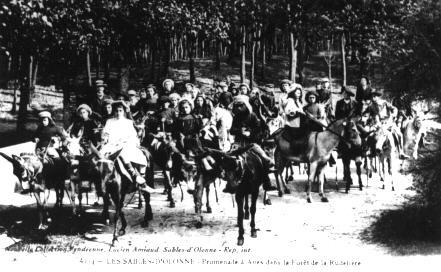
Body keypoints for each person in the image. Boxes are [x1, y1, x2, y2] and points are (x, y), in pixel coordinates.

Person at [226, 95, 276, 193]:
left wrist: (250, 133)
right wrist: (239, 131)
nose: (239, 108)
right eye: (237, 106)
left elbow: (258, 129)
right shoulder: (236, 117)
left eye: (241, 105)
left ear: (246, 105)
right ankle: (230, 182)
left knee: (262, 158)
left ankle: (267, 181)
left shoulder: (252, 115)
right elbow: (232, 130)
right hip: (239, 142)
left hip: (251, 142)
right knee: (229, 158)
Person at [100, 101, 154, 192]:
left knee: (139, 155)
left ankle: (140, 178)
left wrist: (126, 141)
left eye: (120, 110)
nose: (118, 113)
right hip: (112, 144)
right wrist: (104, 138)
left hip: (126, 143)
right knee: (100, 156)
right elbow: (106, 133)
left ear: (124, 111)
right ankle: (101, 180)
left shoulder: (128, 122)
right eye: (116, 111)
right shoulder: (109, 121)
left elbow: (133, 135)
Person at [371, 90, 409, 159]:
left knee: (399, 134)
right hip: (378, 123)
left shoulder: (385, 103)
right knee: (370, 134)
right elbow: (372, 115)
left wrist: (394, 115)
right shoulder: (372, 106)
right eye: (372, 97)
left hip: (389, 122)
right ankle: (372, 151)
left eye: (375, 97)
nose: (373, 98)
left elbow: (394, 109)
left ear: (378, 97)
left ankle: (401, 152)